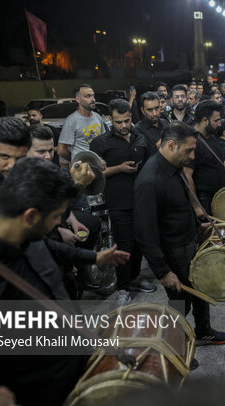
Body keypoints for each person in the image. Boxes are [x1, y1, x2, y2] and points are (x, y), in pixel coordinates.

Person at [0, 157, 129, 406]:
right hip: (36, 394)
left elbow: (50, 245)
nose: (57, 225)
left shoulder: (24, 233)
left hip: (72, 372)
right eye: (55, 217)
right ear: (30, 216)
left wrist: (94, 256)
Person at [133, 122, 225, 372]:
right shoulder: (149, 179)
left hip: (187, 241)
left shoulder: (173, 167)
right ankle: (175, 346)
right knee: (179, 301)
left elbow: (177, 206)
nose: (192, 156)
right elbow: (145, 233)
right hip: (172, 250)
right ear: (171, 145)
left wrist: (196, 224)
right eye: (189, 151)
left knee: (199, 286)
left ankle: (203, 330)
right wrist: (163, 271)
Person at [90, 99, 155, 305]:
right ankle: (123, 288)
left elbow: (152, 163)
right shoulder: (100, 143)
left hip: (142, 201)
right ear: (110, 119)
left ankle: (134, 278)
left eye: (127, 120)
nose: (124, 125)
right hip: (118, 202)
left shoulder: (140, 138)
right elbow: (93, 174)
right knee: (124, 244)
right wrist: (118, 169)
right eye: (118, 122)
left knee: (139, 244)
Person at [184, 100, 225, 215]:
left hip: (219, 199)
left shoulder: (212, 136)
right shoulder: (192, 142)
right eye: (216, 121)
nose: (219, 124)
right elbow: (187, 176)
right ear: (205, 120)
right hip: (205, 202)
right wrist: (197, 206)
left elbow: (221, 165)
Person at [57, 84, 106, 162]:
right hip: (81, 169)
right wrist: (75, 160)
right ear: (78, 99)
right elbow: (61, 150)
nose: (93, 99)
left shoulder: (97, 117)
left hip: (97, 165)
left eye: (93, 96)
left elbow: (103, 140)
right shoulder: (71, 120)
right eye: (88, 96)